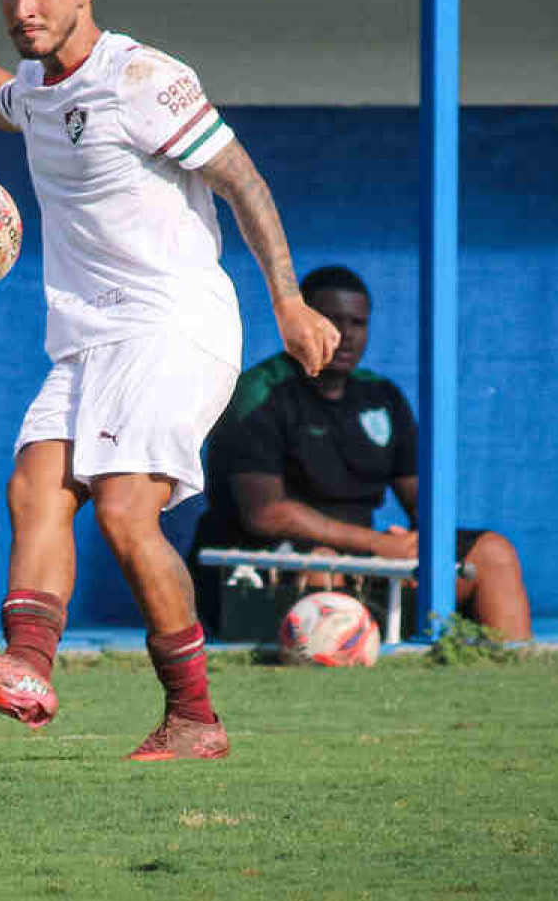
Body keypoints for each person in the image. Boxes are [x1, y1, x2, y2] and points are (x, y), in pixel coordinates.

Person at [0, 0, 339, 759]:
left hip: (174, 322)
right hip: (90, 334)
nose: (23, 6)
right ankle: (25, 664)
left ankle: (195, 717)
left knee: (127, 511)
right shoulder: (42, 84)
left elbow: (244, 182)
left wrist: (290, 304)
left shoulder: (142, 76)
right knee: (36, 486)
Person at [194, 264, 533, 640]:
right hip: (259, 561)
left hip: (359, 556)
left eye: (358, 322)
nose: (346, 335)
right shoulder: (258, 392)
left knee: (492, 553)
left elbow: (420, 497)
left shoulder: (381, 395)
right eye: (332, 320)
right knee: (322, 563)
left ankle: (507, 672)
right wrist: (379, 545)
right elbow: (266, 515)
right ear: (303, 319)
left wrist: (416, 540)